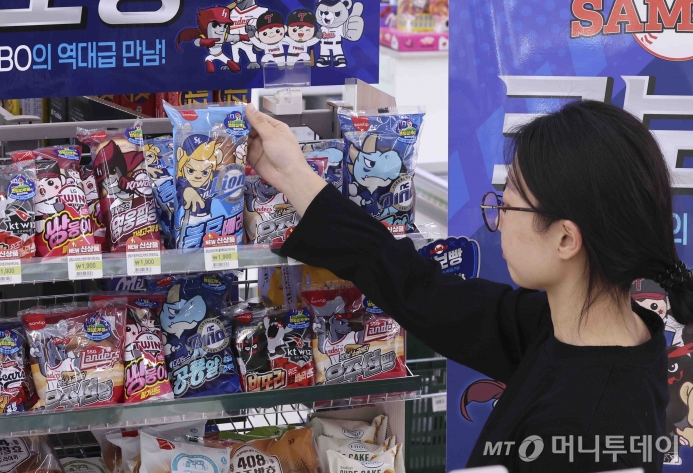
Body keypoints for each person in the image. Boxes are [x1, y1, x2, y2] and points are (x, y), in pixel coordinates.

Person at [245, 100, 690, 472]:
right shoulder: (584, 328)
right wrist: (293, 173)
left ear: (565, 239)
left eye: (508, 207)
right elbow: (424, 294)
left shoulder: (584, 427)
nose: (497, 221)